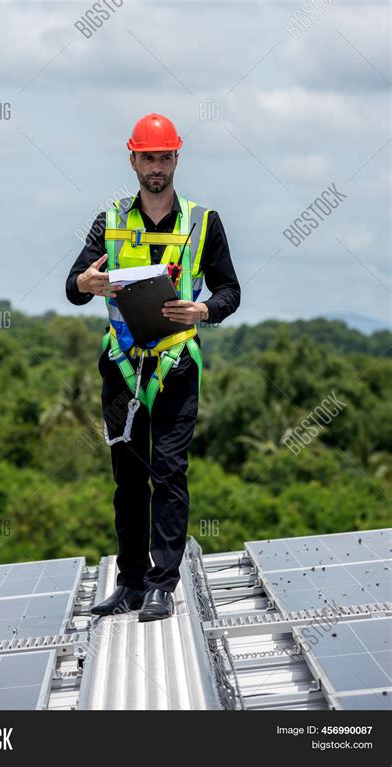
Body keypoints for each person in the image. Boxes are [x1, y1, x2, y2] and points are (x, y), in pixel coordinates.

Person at [66, 113, 241, 621]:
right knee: (128, 478)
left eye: (164, 157)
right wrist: (86, 285)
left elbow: (230, 290)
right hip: (122, 367)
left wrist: (203, 310)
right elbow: (73, 285)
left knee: (169, 472)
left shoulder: (203, 222)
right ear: (133, 159)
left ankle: (165, 583)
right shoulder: (110, 219)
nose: (157, 167)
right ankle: (131, 584)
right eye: (148, 157)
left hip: (177, 365)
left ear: (176, 159)